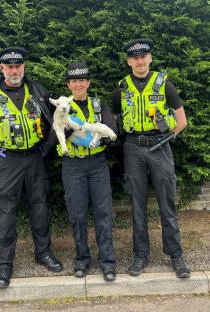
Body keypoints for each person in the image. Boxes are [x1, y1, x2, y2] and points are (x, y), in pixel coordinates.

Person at [0, 47, 63, 289]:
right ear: (2, 68)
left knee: (39, 206)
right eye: (10, 66)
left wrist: (47, 146)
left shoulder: (36, 89)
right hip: (7, 161)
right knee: (6, 211)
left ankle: (43, 253)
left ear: (24, 67)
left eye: (19, 66)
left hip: (35, 158)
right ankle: (4, 265)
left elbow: (58, 114)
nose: (15, 70)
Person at [112, 38, 191, 278]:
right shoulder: (122, 88)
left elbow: (181, 122)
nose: (140, 61)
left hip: (160, 147)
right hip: (133, 148)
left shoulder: (164, 84)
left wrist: (167, 139)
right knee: (138, 204)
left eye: (143, 56)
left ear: (150, 58)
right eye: (135, 58)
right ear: (129, 62)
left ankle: (176, 255)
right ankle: (140, 255)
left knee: (167, 203)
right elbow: (115, 121)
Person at [48, 61, 117, 281]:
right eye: (74, 81)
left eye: (82, 80)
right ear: (68, 84)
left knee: (103, 213)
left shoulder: (99, 104)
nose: (78, 84)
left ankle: (107, 262)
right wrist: (67, 133)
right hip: (73, 165)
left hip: (97, 164)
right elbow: (51, 139)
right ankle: (82, 260)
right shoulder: (61, 107)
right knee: (77, 214)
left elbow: (113, 133)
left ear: (88, 82)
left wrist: (98, 140)